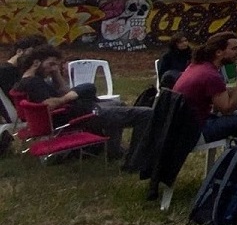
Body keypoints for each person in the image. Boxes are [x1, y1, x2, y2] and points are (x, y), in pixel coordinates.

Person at [12, 45, 151, 161]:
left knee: (118, 104)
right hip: (82, 117)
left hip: (80, 111)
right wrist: (71, 96)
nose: (54, 68)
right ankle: (135, 161)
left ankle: (113, 152)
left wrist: (56, 75)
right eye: (51, 64)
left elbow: (62, 91)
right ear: (36, 63)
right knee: (146, 114)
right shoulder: (33, 83)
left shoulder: (28, 81)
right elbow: (47, 105)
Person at [173, 32, 237, 147]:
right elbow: (227, 109)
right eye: (234, 49)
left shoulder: (199, 66)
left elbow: (218, 90)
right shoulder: (211, 75)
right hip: (194, 132)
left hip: (183, 128)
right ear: (218, 52)